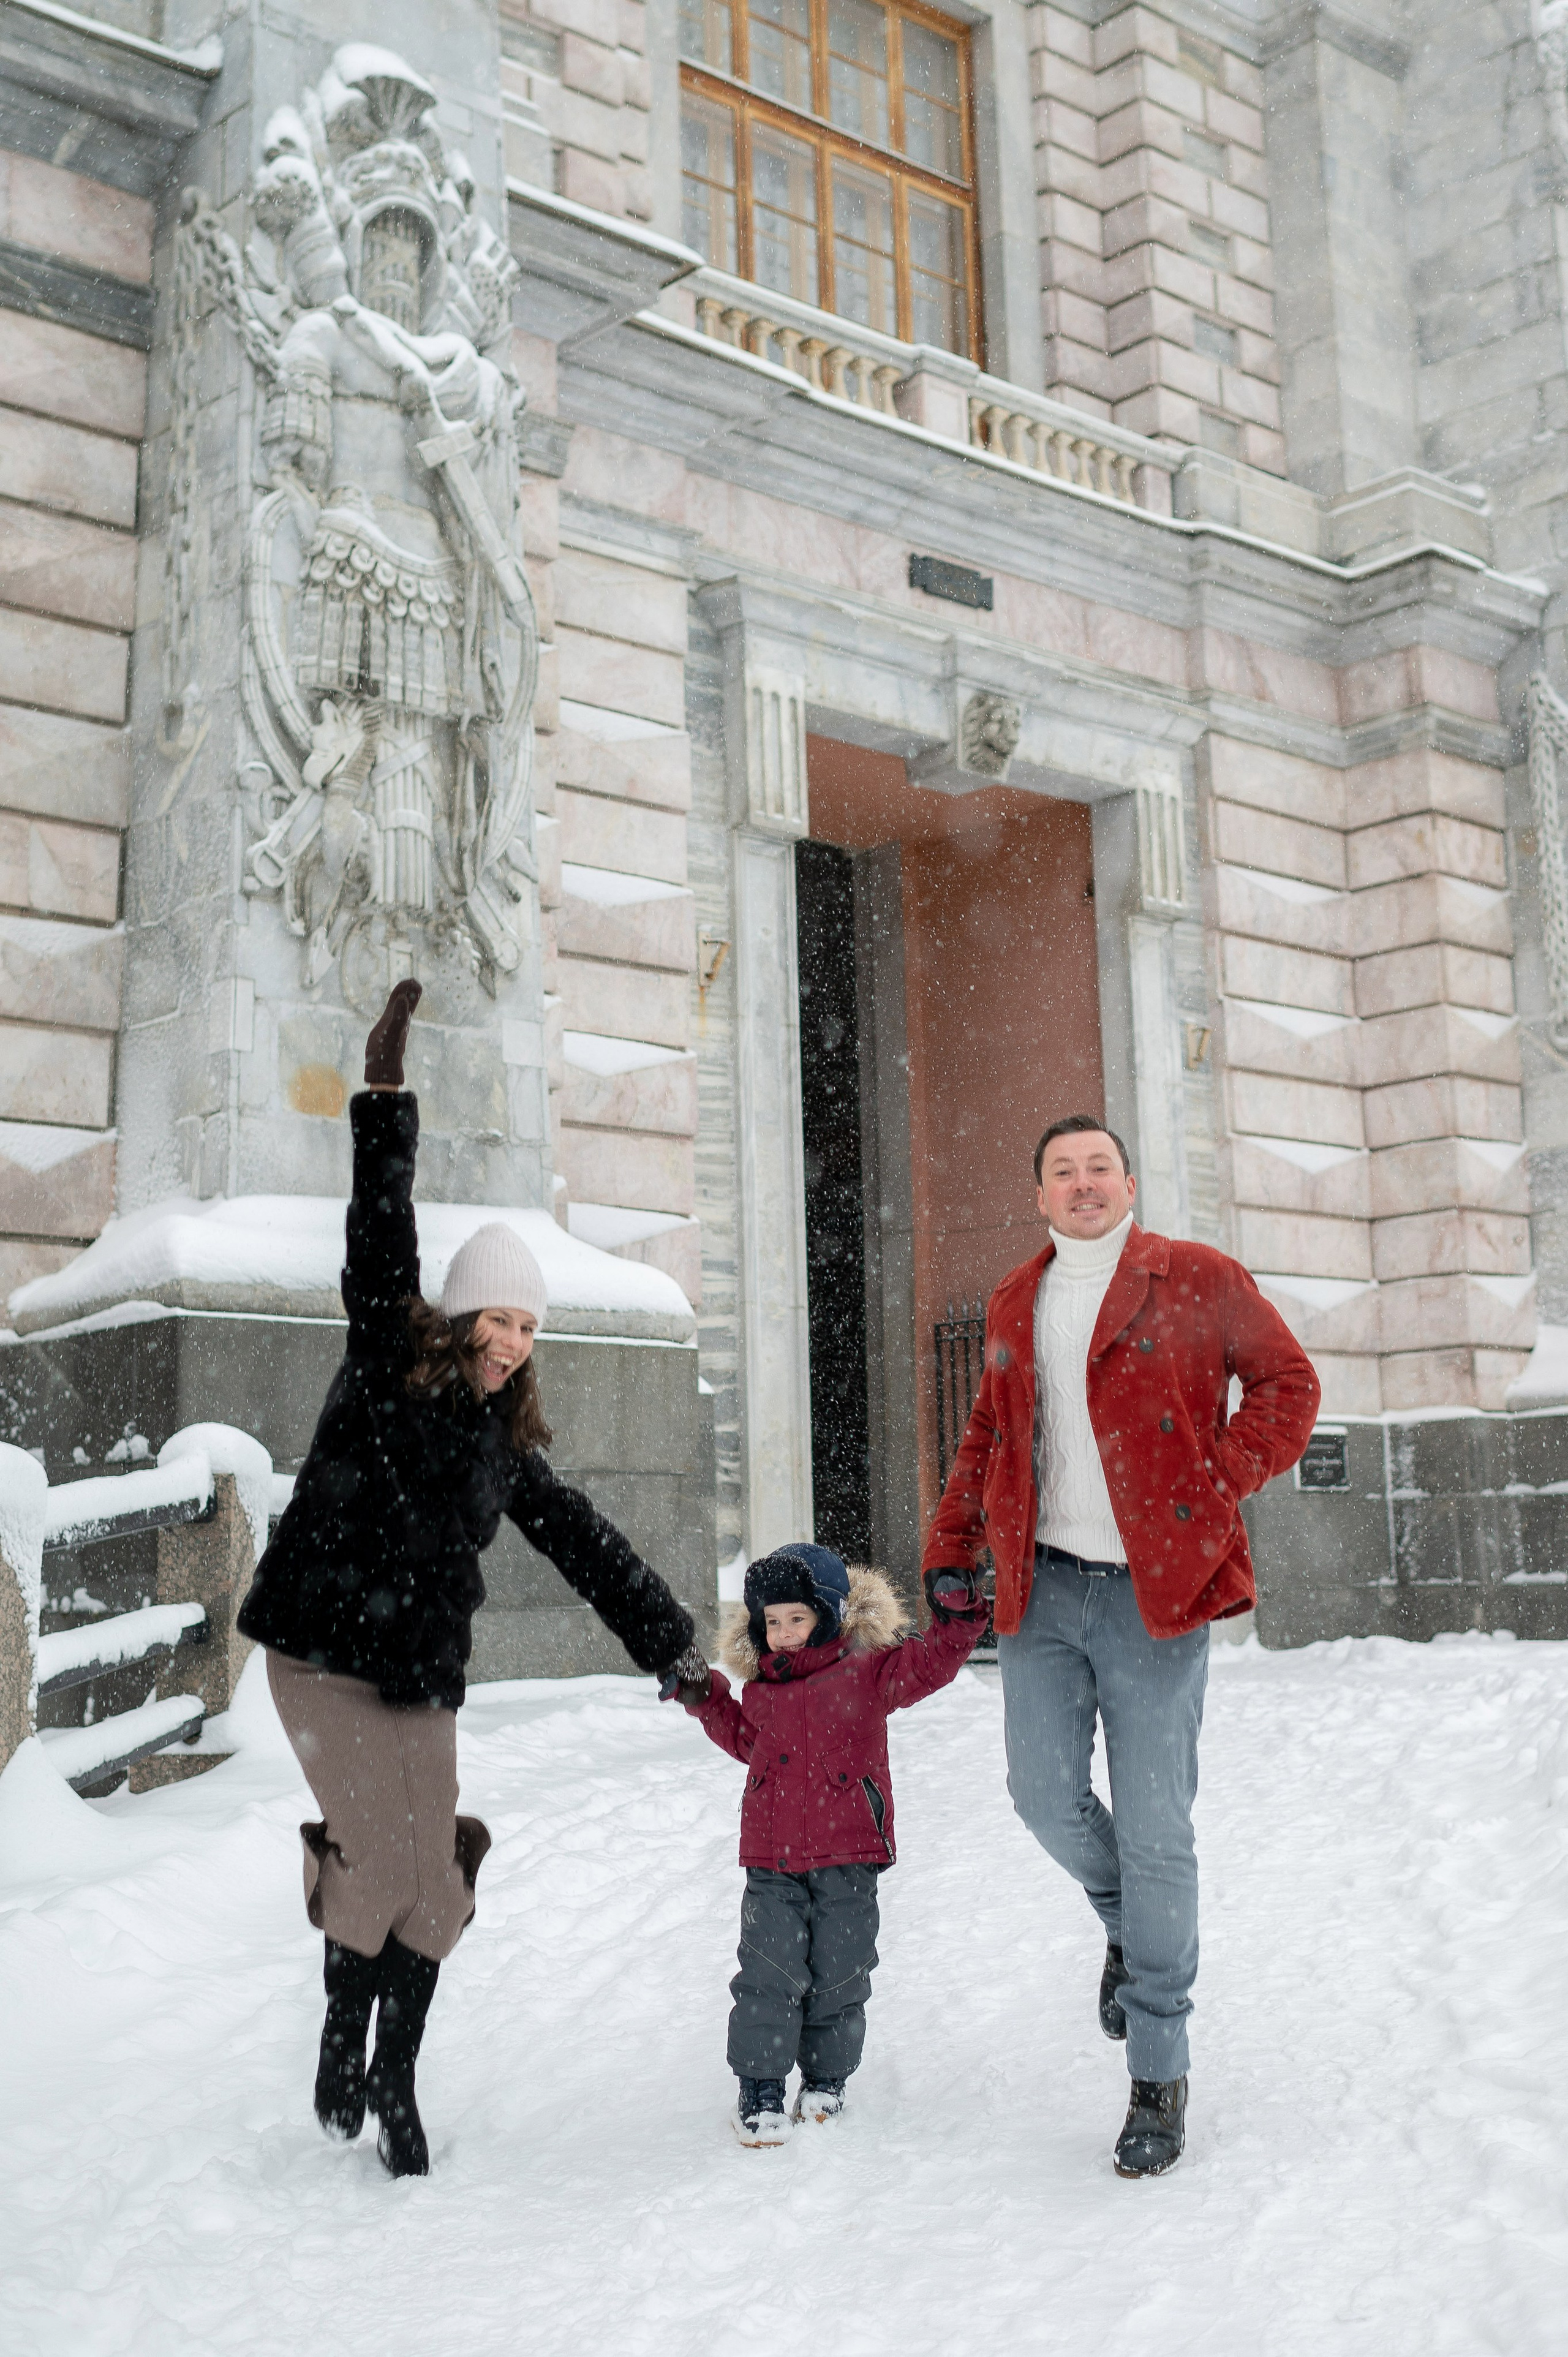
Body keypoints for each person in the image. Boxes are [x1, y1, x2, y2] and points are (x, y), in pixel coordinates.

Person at [238, 979, 708, 2177]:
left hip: (420, 1674)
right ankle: (346, 2037)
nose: (510, 1340)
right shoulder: (383, 1362)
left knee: (434, 1884)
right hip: (323, 1656)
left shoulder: (509, 1447)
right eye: (495, 1316)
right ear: (454, 1317)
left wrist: (669, 1645)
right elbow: (378, 1224)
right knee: (384, 1860)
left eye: (529, 1326)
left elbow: (588, 1545)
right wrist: (384, 1092)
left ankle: (394, 2070)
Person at [922, 1114, 1319, 2178]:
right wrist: (951, 1538)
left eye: (1100, 1165)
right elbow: (992, 1434)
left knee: (1156, 1830)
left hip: (1158, 1594)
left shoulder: (1197, 1276)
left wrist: (1215, 1479)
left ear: (1130, 1182)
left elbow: (1290, 1383)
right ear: (1041, 1195)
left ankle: (1157, 2071)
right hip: (1044, 1590)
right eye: (1063, 1170)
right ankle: (1127, 1925)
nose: (1084, 1182)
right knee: (1041, 1793)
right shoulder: (1017, 1296)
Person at [665, 1542, 988, 2144]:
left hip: (849, 1853)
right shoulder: (763, 1687)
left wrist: (958, 1616)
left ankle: (826, 2079)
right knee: (768, 1970)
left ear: (830, 1613)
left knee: (841, 1970)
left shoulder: (870, 1670)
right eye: (772, 1621)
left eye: (797, 1617)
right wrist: (705, 1694)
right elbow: (744, 1740)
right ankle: (759, 2086)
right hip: (773, 1857)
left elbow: (934, 1662)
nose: (784, 1633)